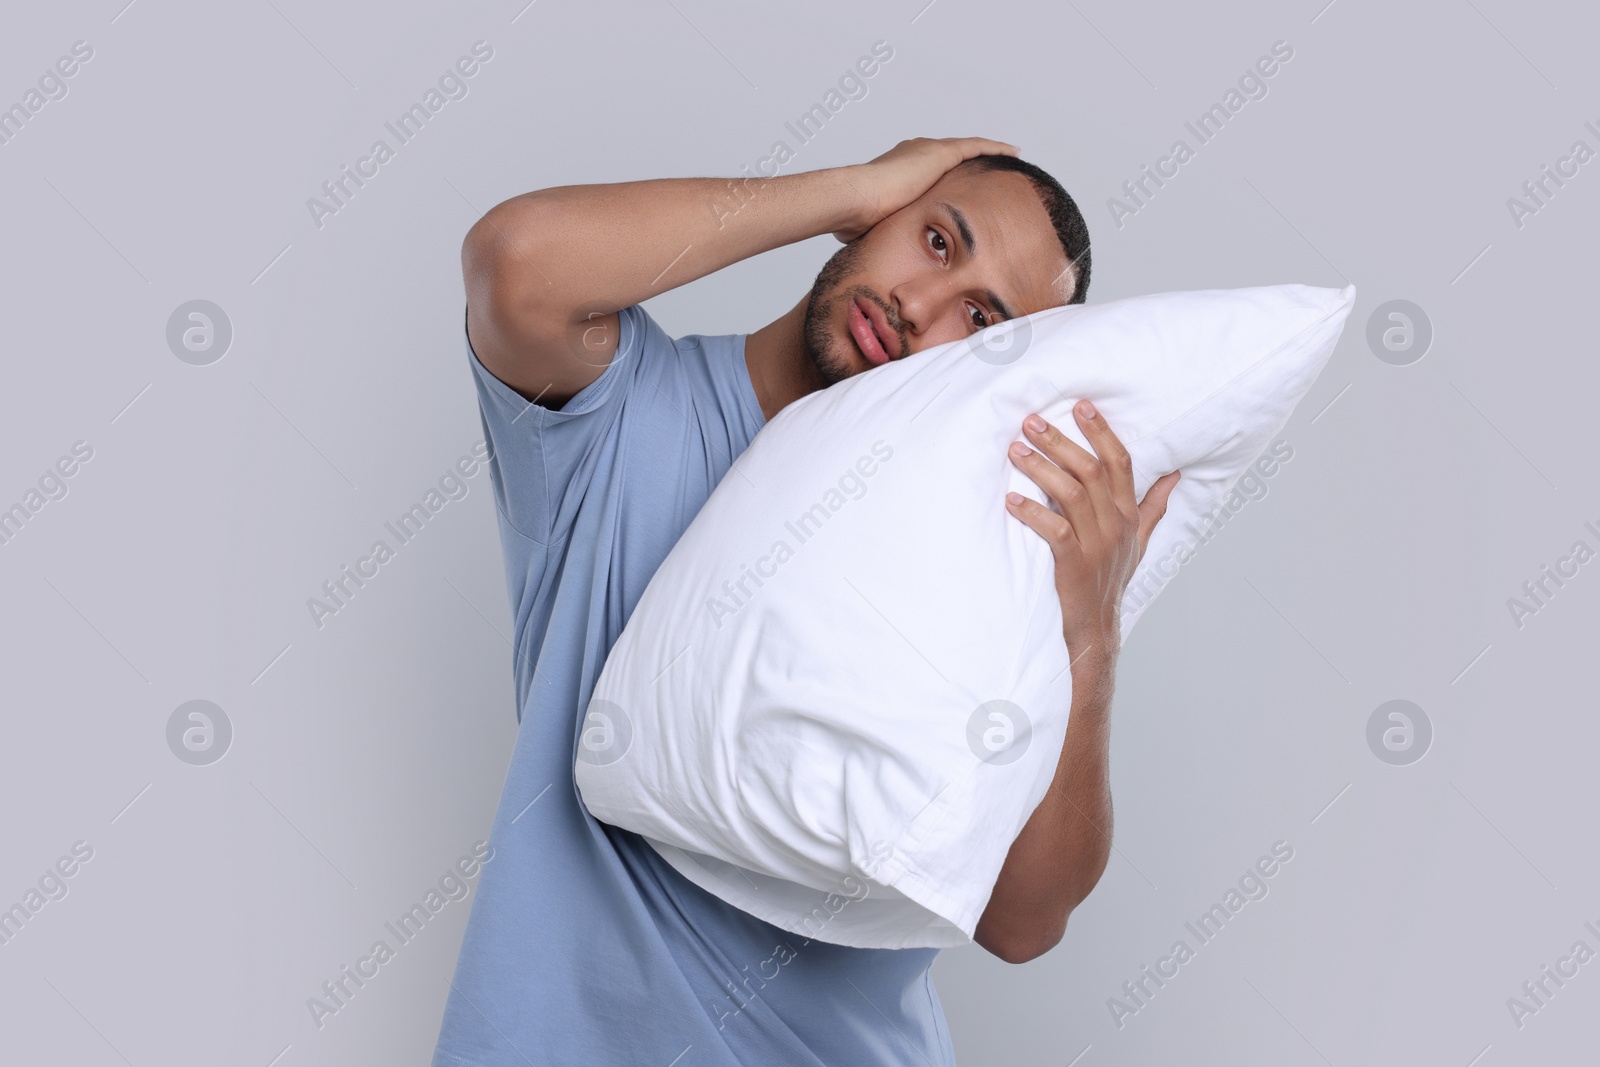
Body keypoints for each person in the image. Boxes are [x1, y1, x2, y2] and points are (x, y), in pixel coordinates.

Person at [432, 136, 1179, 1067]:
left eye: (982, 321)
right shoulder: (627, 413)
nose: (918, 304)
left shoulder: (994, 563)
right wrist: (848, 190)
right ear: (886, 212)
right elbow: (514, 261)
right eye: (937, 241)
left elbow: (1022, 922)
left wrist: (1091, 635)